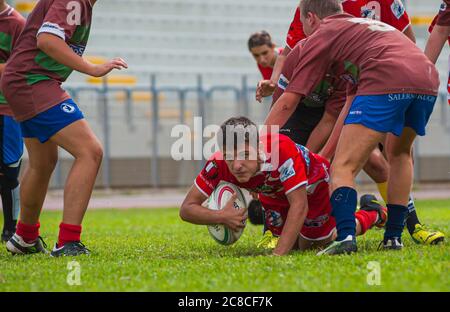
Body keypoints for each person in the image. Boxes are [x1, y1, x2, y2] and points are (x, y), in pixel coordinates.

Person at [264, 0, 439, 254]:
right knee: (399, 154)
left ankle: (346, 237)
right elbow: (346, 105)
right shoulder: (363, 29)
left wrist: (262, 141)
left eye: (303, 23)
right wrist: (321, 157)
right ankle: (393, 238)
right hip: (427, 76)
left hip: (387, 77)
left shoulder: (323, 33)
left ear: (311, 18)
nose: (303, 28)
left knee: (343, 166)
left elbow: (288, 101)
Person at [1, 0, 127, 256]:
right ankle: (68, 241)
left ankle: (24, 237)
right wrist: (93, 68)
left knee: (43, 161)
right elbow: (47, 39)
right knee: (90, 151)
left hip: (24, 80)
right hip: (32, 80)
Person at [180, 117, 387, 256]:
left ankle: (373, 213)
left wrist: (277, 257)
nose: (236, 165)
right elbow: (187, 208)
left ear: (258, 148)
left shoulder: (281, 151)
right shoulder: (218, 164)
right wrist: (222, 217)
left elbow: (299, 205)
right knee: (296, 244)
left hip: (314, 186)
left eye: (244, 155)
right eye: (228, 157)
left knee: (313, 244)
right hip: (273, 194)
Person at [0, 1, 25, 242]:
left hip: (8, 108)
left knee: (8, 172)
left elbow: (20, 66)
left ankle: (10, 228)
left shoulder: (17, 24)